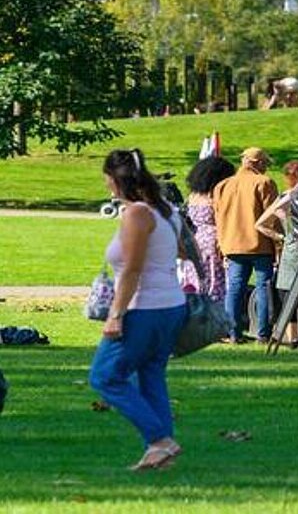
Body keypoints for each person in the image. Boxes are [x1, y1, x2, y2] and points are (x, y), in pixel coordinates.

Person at [88, 149, 188, 471]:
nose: (106, 185)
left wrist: (115, 314)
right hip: (171, 305)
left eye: (107, 179)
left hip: (144, 308)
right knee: (151, 375)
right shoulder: (166, 211)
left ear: (116, 180)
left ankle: (159, 439)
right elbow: (181, 252)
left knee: (104, 376)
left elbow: (132, 269)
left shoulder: (137, 214)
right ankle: (160, 453)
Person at [212, 147, 279, 343]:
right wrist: (279, 244)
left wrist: (221, 245)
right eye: (265, 163)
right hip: (260, 244)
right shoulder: (264, 182)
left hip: (232, 244)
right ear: (258, 163)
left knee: (234, 288)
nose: (266, 167)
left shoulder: (222, 185)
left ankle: (233, 333)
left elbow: (217, 217)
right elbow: (272, 218)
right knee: (263, 288)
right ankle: (264, 334)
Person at [254, 159, 298, 348]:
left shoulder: (292, 195)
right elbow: (261, 224)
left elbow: (261, 224)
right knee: (295, 295)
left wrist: (282, 237)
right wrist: (283, 236)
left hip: (294, 249)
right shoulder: (291, 196)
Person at [182, 155, 235, 302]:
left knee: (196, 274)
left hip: (196, 239)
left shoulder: (193, 196)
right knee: (215, 277)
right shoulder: (216, 197)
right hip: (215, 240)